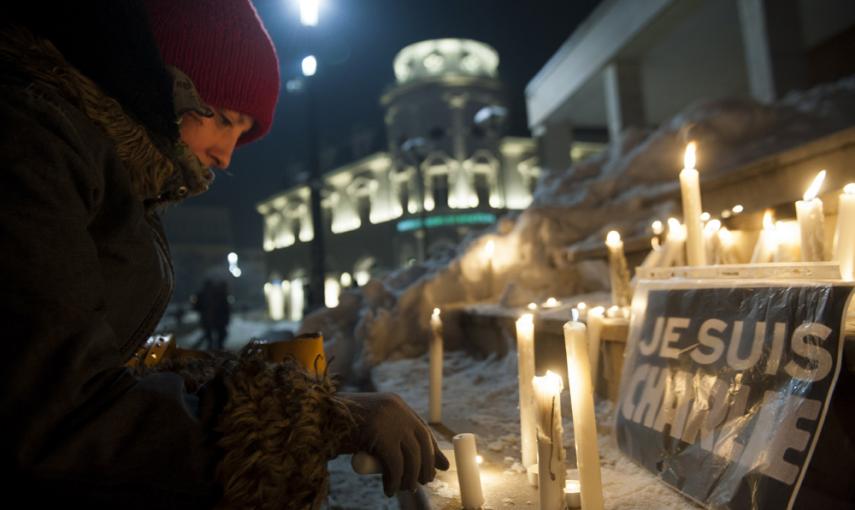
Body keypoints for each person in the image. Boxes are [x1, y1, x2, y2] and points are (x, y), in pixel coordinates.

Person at [0, 1, 447, 508]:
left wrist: (264, 386)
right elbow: (60, 416)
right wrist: (316, 421)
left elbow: (97, 364)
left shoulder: (107, 163)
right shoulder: (36, 140)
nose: (227, 155)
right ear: (171, 83)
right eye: (228, 121)